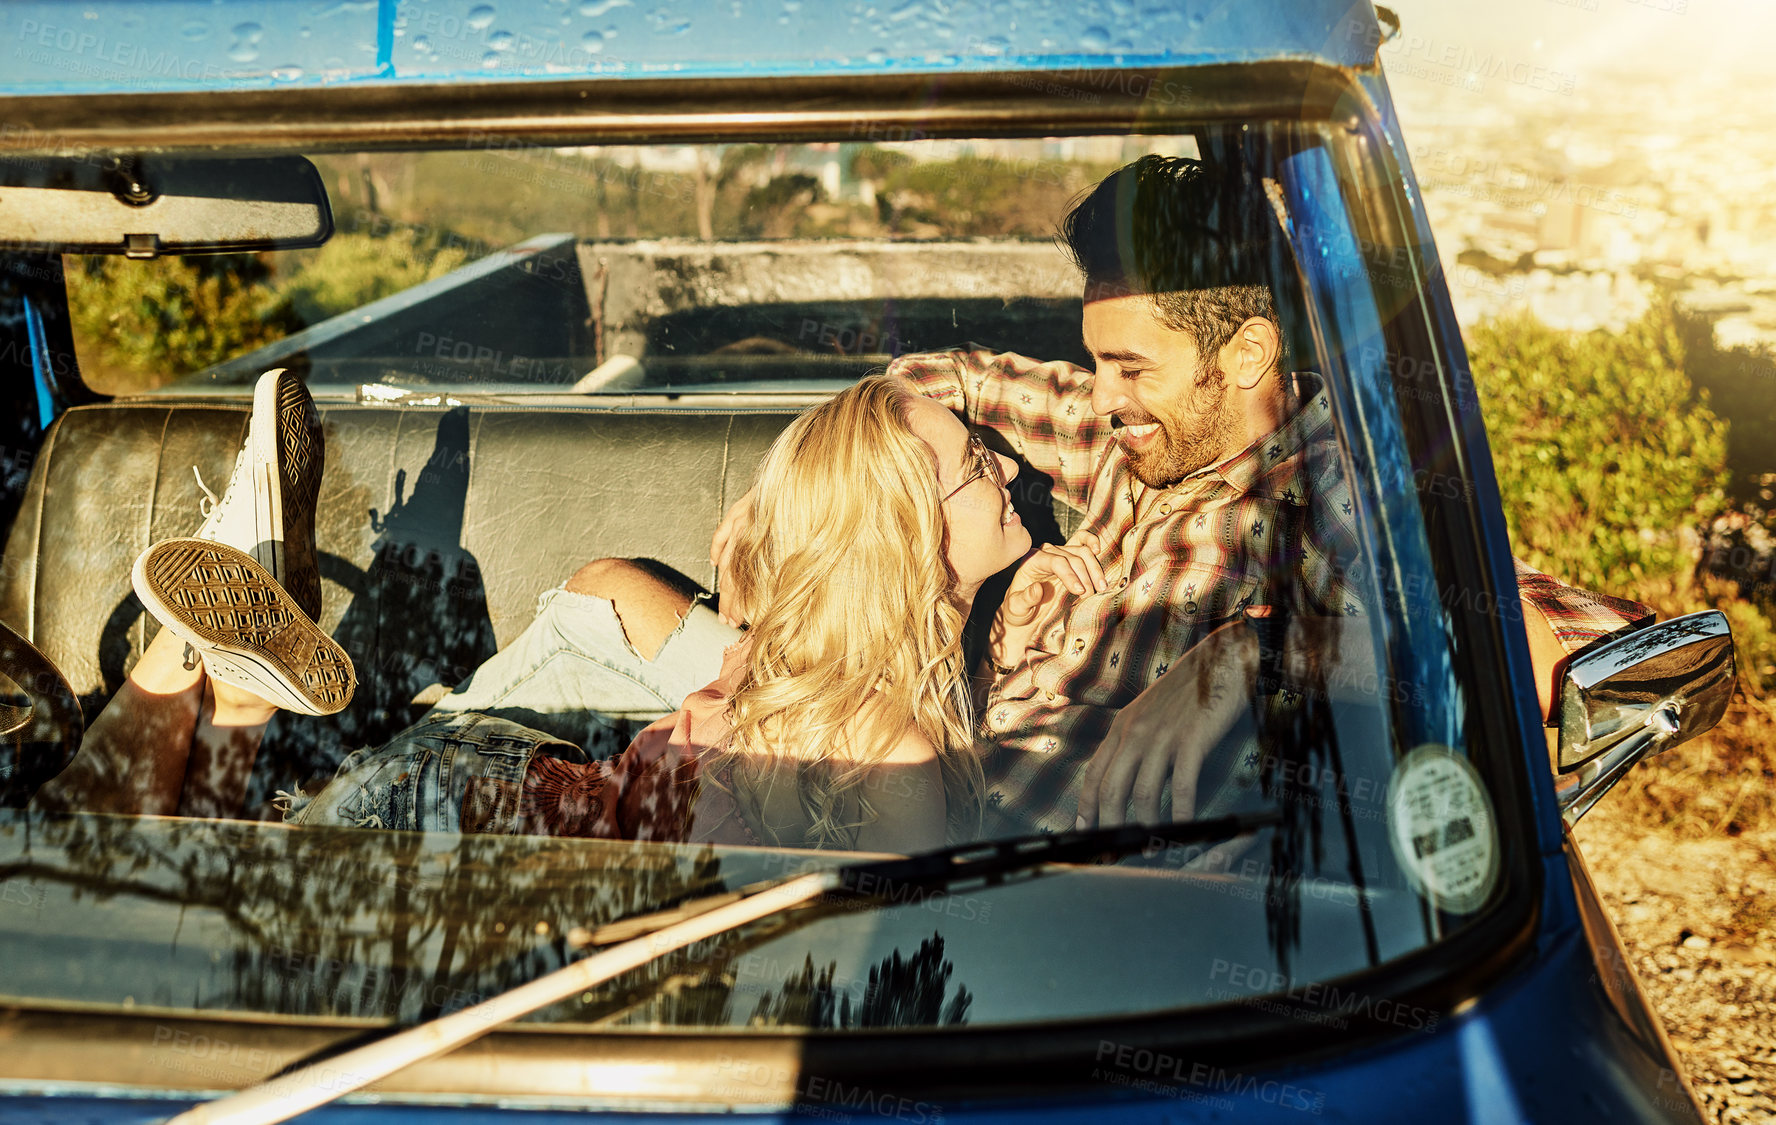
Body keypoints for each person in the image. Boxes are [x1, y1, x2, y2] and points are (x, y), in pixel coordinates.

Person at [712, 154, 1654, 839]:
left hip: (1066, 919)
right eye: (1093, 360)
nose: (1101, 395)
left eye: (1129, 367)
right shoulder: (1130, 434)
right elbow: (944, 378)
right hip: (892, 808)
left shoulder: (1337, 497)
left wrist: (1254, 654)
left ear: (1247, 354)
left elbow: (1551, 649)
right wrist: (794, 493)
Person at [35, 370, 1029, 853]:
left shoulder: (802, 666)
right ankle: (224, 659)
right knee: (101, 872)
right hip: (461, 814)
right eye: (982, 466)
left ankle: (223, 657)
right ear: (904, 539)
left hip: (463, 791)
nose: (1016, 468)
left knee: (151, 862)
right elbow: (900, 968)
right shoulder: (881, 739)